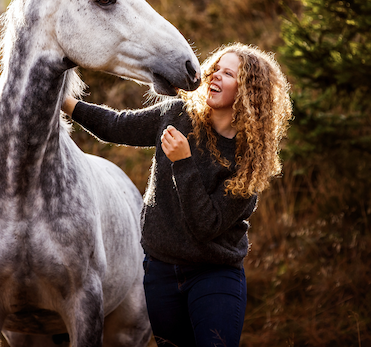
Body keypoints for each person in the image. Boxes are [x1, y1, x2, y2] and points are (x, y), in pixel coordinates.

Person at [62, 43, 292, 347]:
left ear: (248, 91)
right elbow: (115, 127)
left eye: (228, 73)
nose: (215, 76)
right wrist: (62, 102)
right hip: (160, 273)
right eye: (215, 69)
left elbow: (205, 225)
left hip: (214, 275)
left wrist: (183, 162)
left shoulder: (249, 162)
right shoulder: (177, 115)